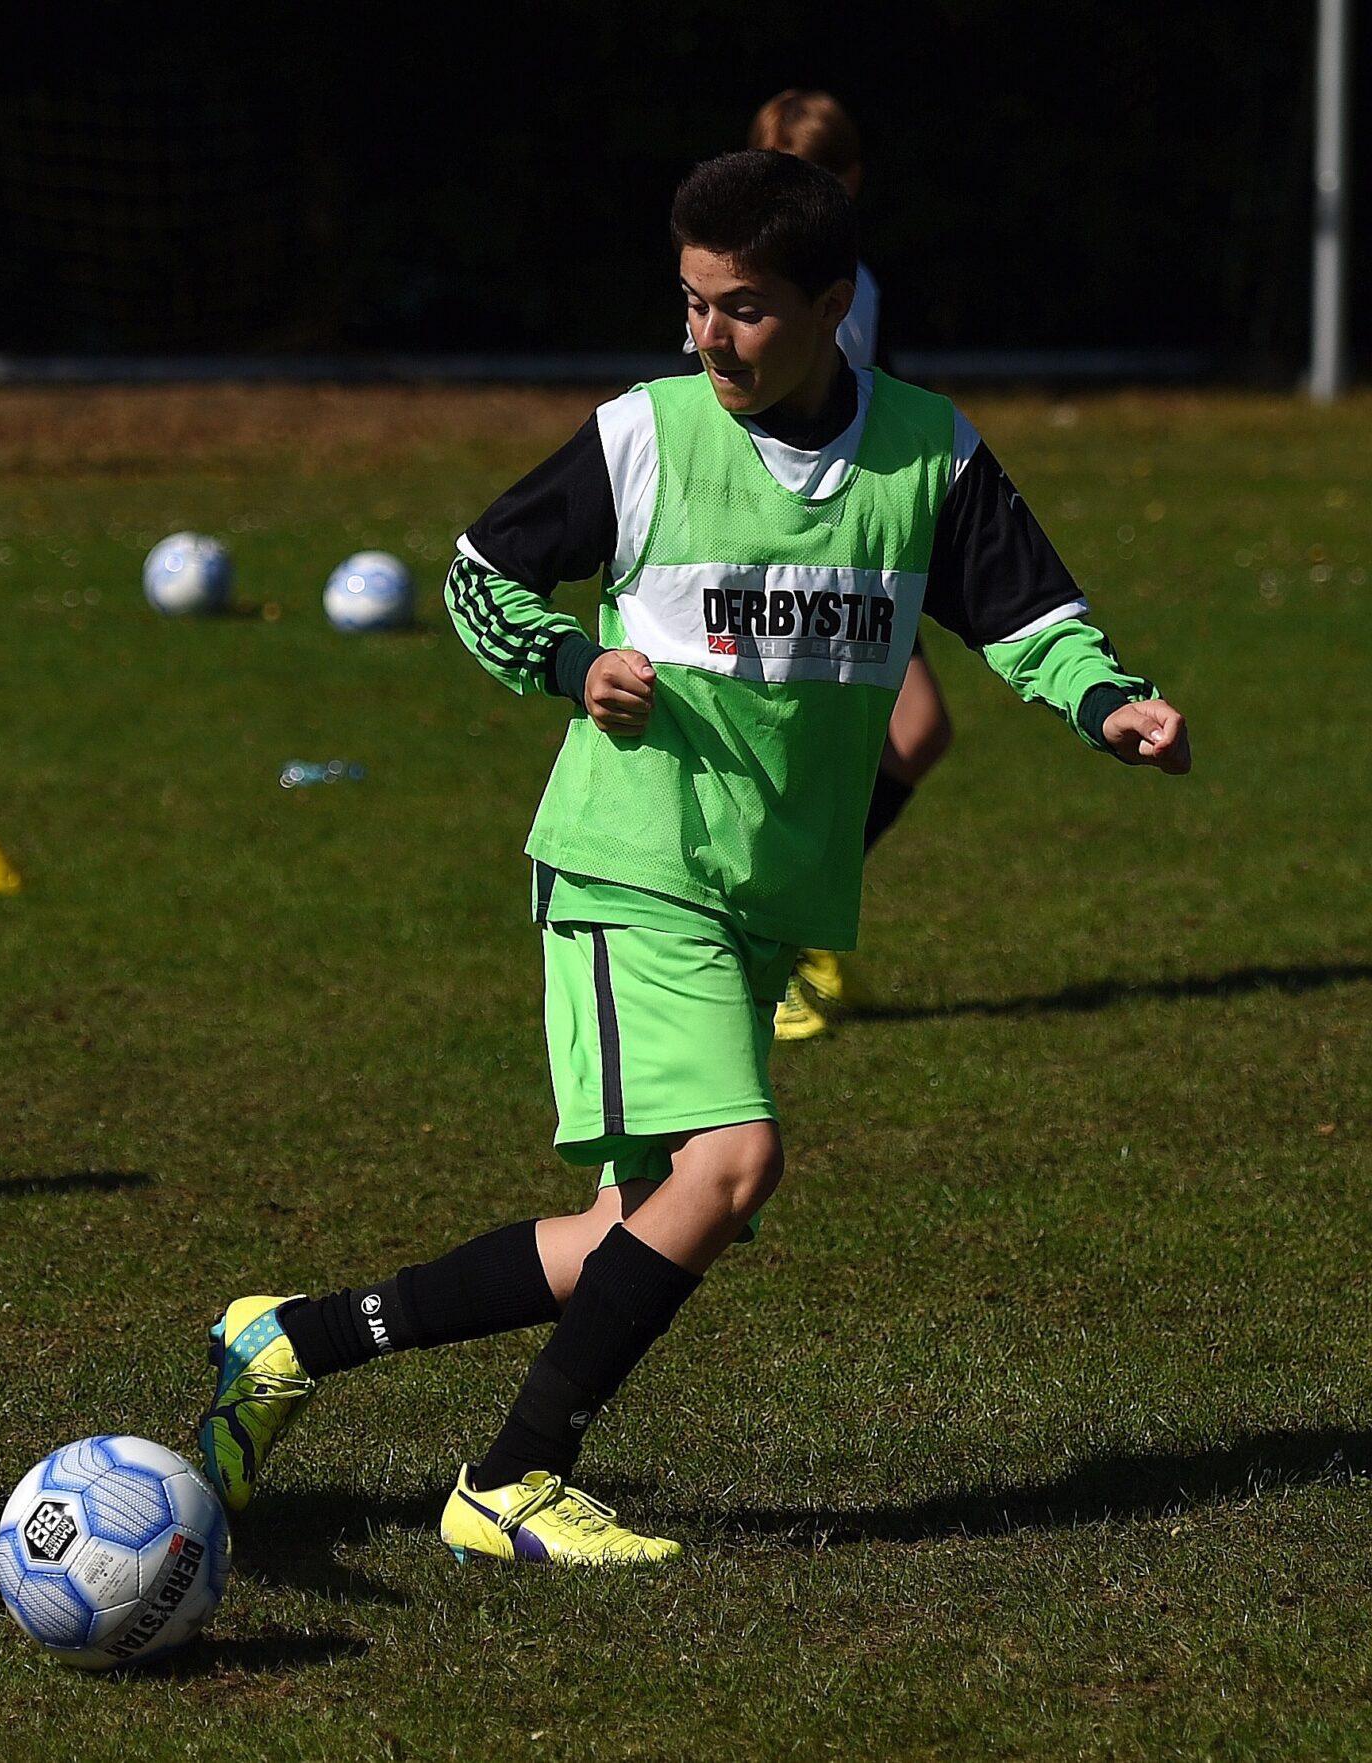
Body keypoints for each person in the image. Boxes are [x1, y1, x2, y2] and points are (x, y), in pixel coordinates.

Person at [198, 150, 1190, 1566]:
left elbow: (1029, 615)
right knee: (734, 1164)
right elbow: (481, 573)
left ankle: (287, 1338)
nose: (707, 337)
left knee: (623, 1225)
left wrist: (1108, 701)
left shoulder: (926, 451)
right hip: (631, 863)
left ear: (834, 304)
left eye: (742, 308)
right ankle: (511, 1478)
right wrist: (572, 658)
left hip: (770, 888)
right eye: (691, 303)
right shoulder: (646, 437)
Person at [742, 88, 952, 1040]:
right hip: (793, 551)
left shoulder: (853, 286)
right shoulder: (750, 288)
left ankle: (789, 927)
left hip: (864, 545)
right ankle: (772, 937)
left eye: (817, 184)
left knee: (915, 732)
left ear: (853, 184)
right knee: (852, 744)